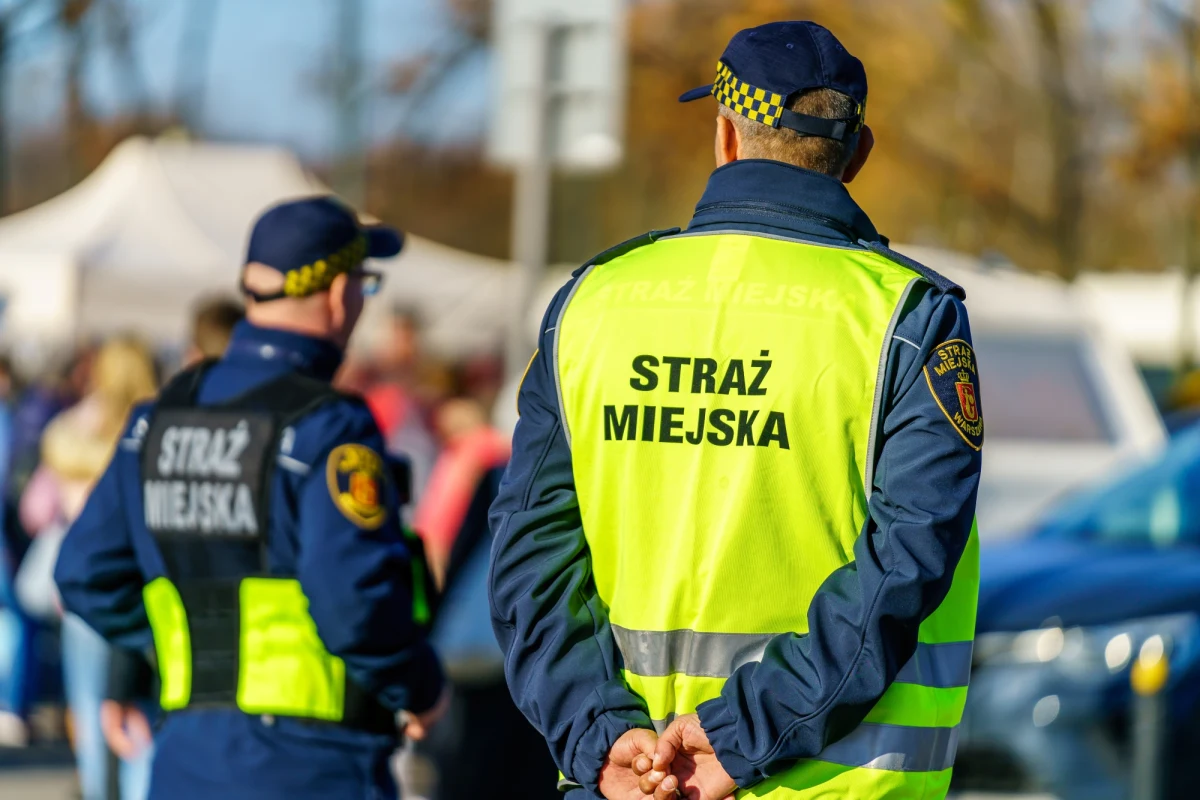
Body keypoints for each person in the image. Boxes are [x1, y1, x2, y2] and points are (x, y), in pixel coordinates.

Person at [489, 21, 982, 800]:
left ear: (724, 136)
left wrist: (599, 735)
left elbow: (529, 556)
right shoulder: (907, 317)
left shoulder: (592, 301)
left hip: (625, 779)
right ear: (857, 154)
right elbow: (906, 559)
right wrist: (743, 733)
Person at [54, 196, 446, 800]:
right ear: (338, 293)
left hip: (185, 761)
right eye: (365, 285)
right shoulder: (328, 426)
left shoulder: (157, 419)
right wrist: (420, 686)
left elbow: (85, 572)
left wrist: (176, 653)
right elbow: (353, 603)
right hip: (316, 766)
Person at [19, 336, 159, 799]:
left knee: (90, 703)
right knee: (141, 709)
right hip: (144, 583)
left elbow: (34, 510)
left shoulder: (71, 430)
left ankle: (100, 789)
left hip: (83, 585)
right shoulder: (156, 428)